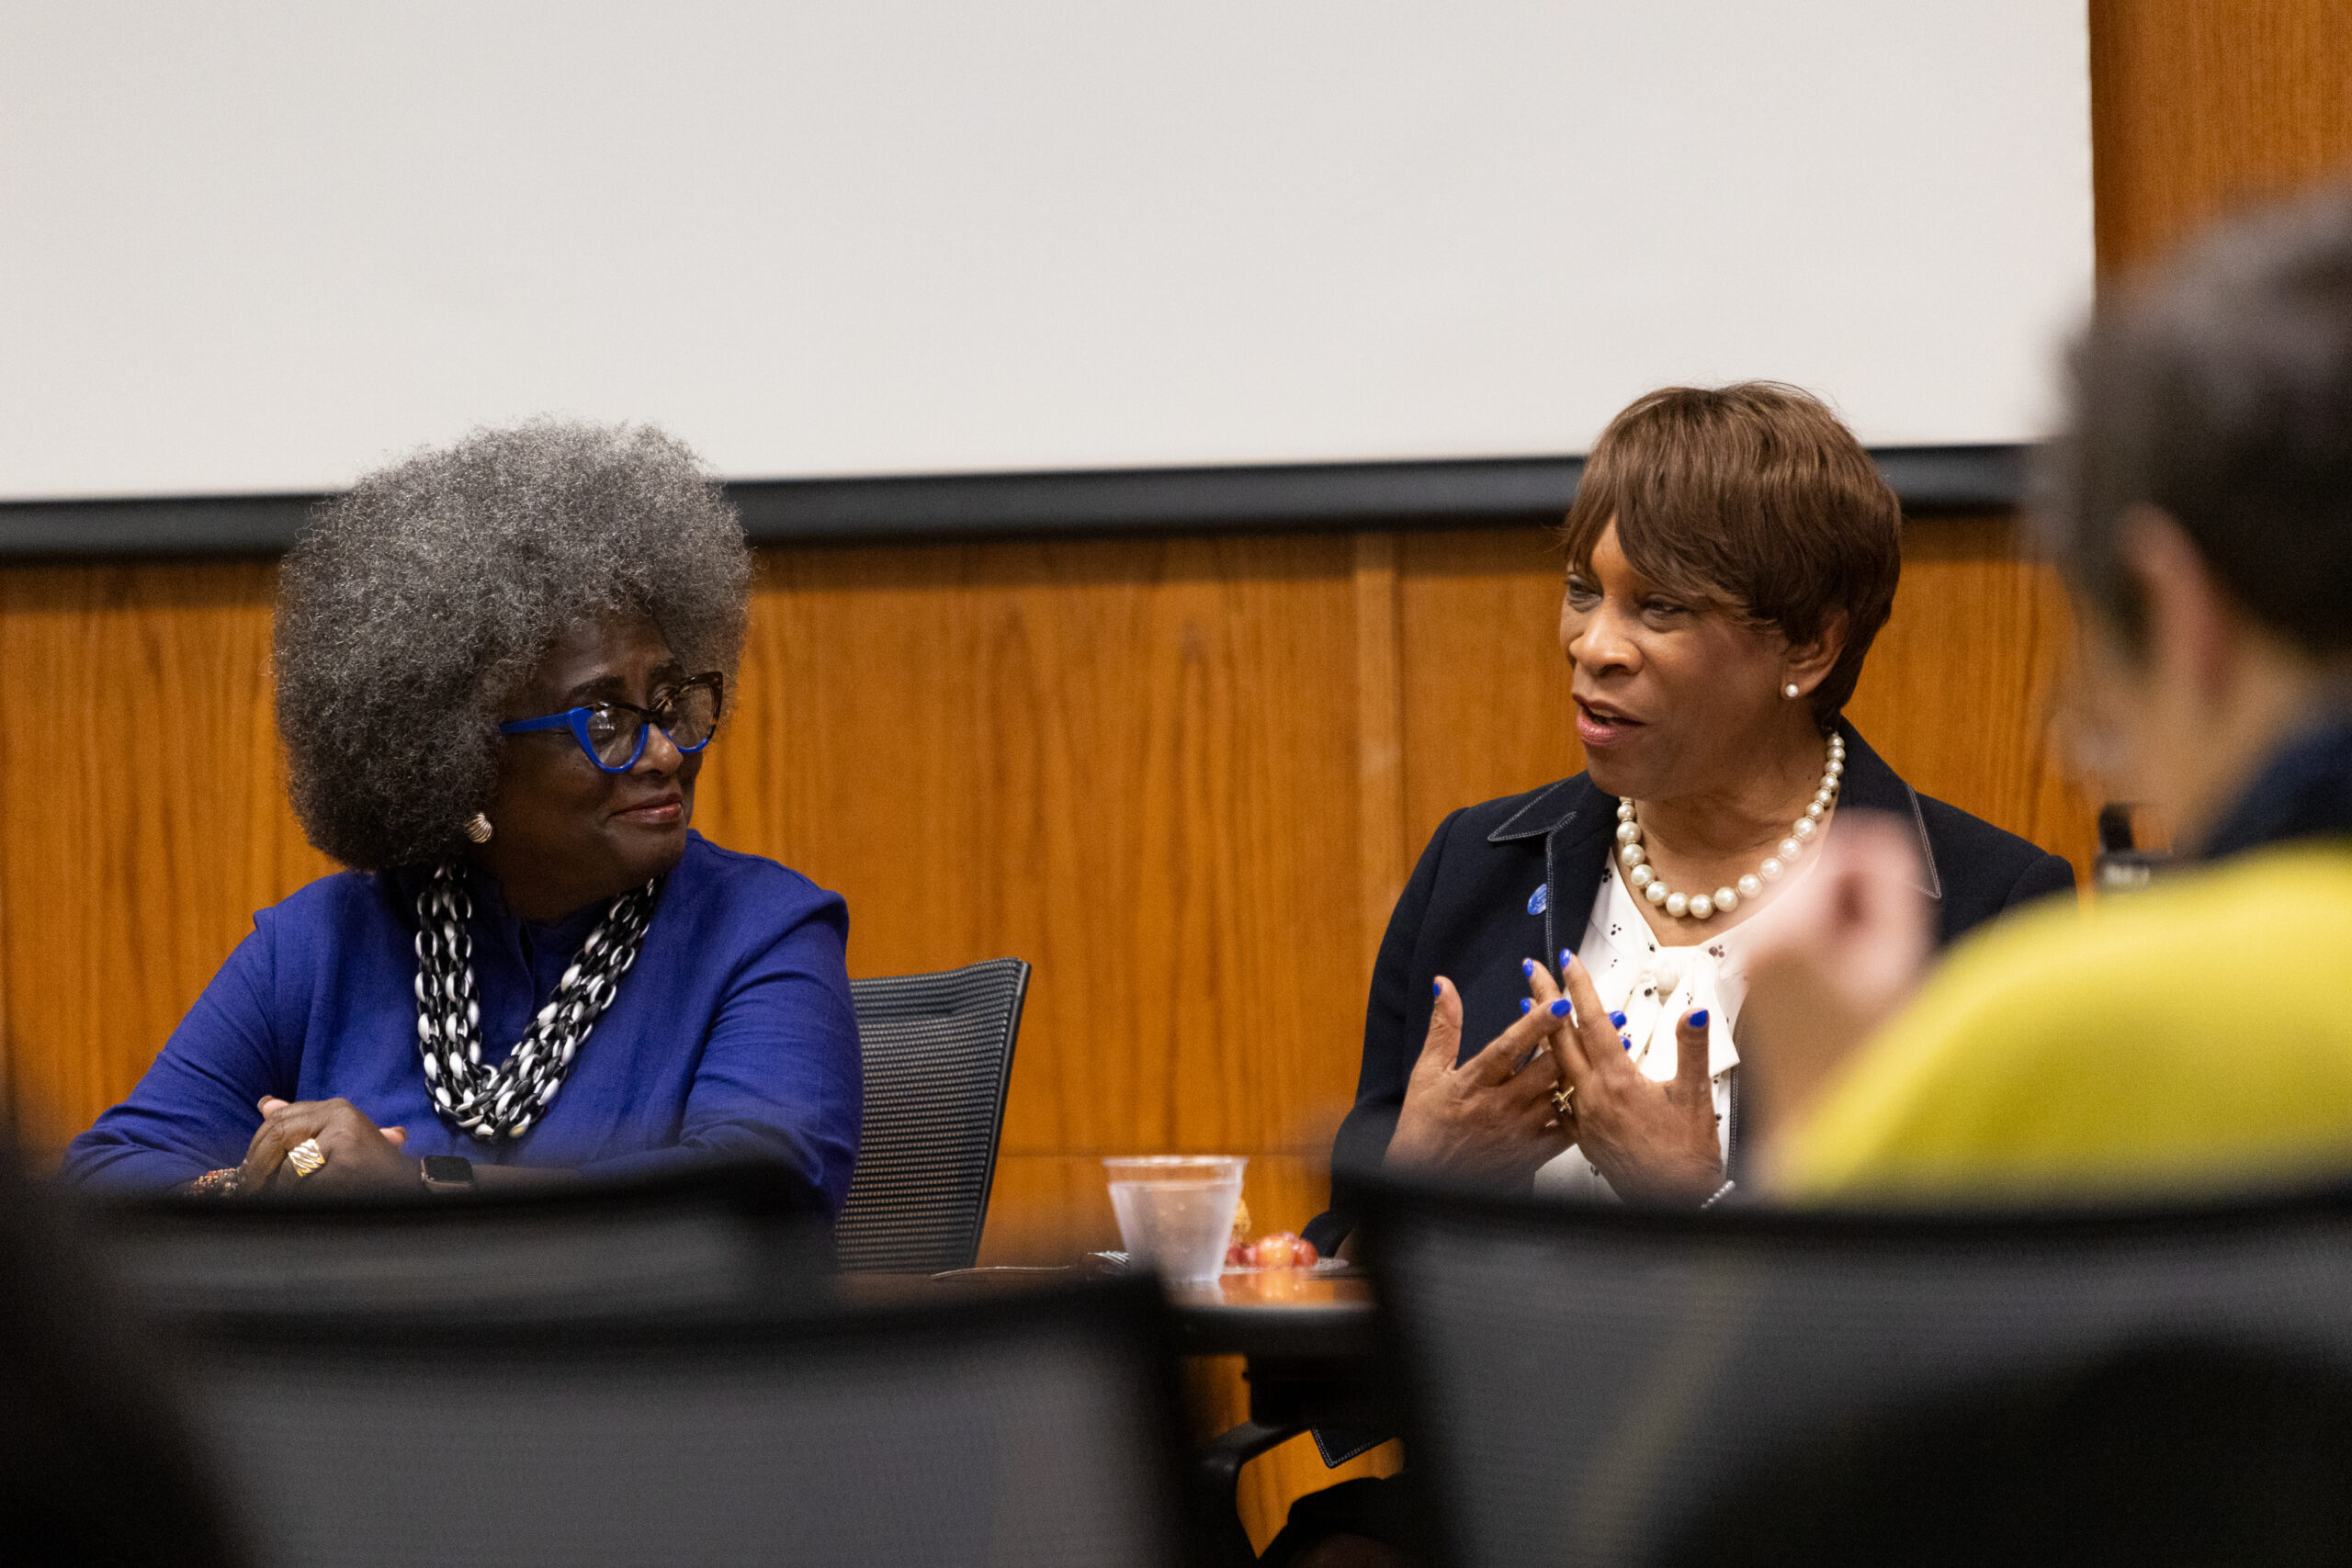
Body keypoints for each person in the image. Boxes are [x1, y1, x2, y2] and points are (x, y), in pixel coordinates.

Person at [1302, 383, 2074, 1256]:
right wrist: (1412, 1188)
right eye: (1582, 590)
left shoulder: (1985, 911)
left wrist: (1694, 1205)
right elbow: (1322, 1286)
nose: (1594, 645)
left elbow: (1997, 1316)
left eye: (1659, 606)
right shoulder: (1474, 866)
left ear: (1809, 646)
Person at [63, 423, 861, 1207]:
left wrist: (414, 1188)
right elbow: (104, 1183)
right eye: (605, 720)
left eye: (668, 701)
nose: (662, 752)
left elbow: (755, 1216)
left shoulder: (762, 931)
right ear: (464, 757)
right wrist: (266, 1183)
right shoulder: (319, 948)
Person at [1746, 186, 2352, 1204]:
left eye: (2099, 677)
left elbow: (1809, 1357)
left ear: (2181, 610)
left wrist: (1819, 1106)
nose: (2085, 742)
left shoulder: (2062, 1031)